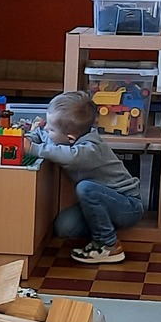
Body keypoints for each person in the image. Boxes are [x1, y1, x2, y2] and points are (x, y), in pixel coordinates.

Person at [31, 90, 146, 265]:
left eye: (51, 128)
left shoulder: (90, 149)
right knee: (64, 227)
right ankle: (104, 226)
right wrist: (31, 134)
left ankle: (109, 245)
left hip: (128, 206)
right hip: (102, 203)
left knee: (85, 187)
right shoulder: (69, 138)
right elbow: (46, 138)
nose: (46, 128)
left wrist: (32, 148)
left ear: (70, 138)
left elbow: (67, 156)